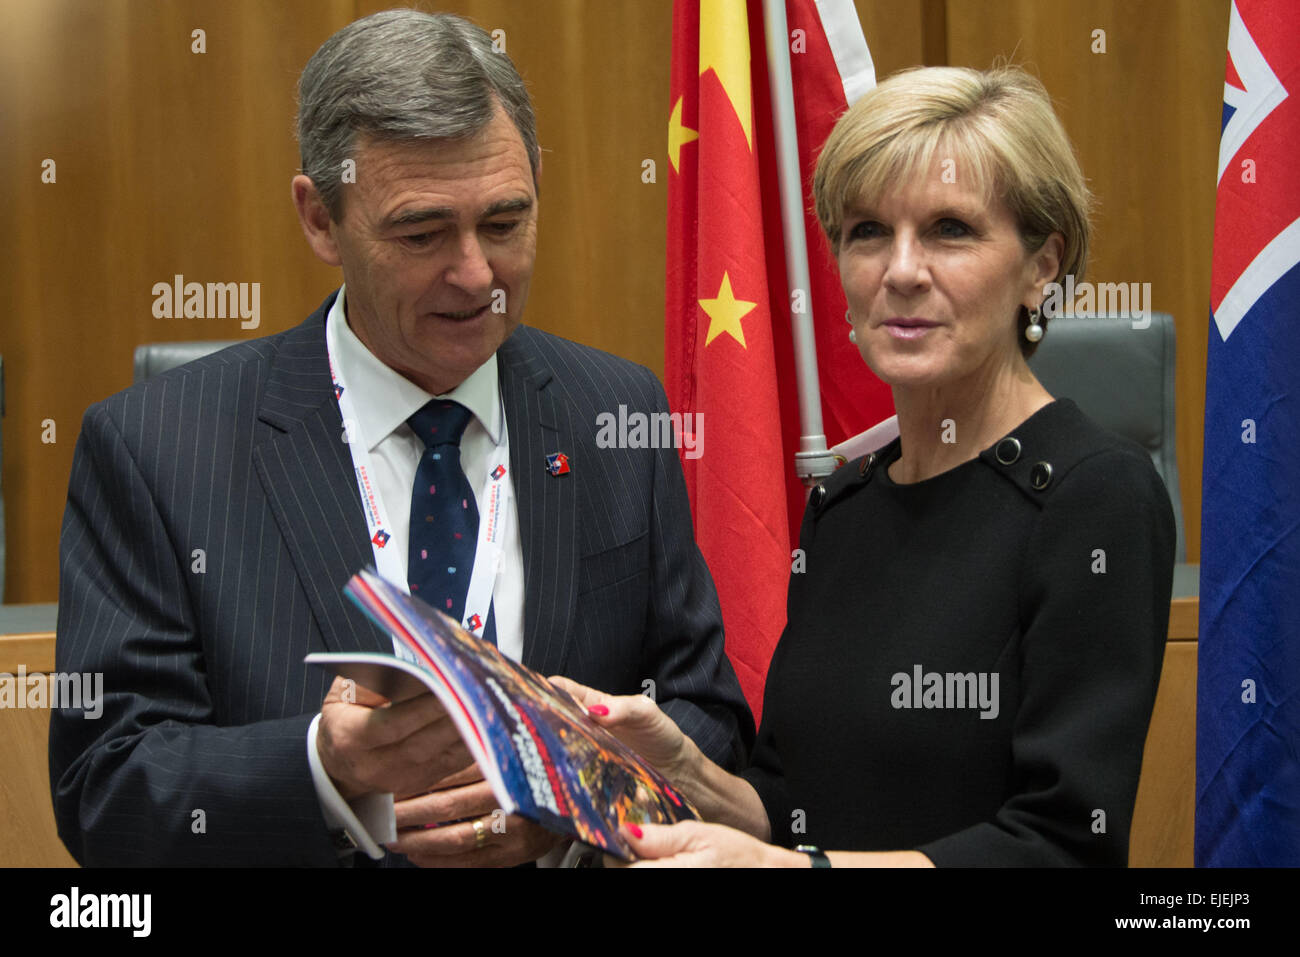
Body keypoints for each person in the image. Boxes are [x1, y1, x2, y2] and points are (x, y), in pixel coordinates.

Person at [49, 9, 752, 867]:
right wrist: (324, 768)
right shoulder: (157, 448)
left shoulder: (617, 413)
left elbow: (706, 716)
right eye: (421, 233)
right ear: (319, 218)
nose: (476, 274)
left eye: (503, 222)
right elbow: (104, 786)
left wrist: (580, 799)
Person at [555, 65, 1176, 867]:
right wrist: (687, 770)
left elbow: (1061, 845)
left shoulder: (1097, 496)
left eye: (951, 229)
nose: (902, 270)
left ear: (1041, 267)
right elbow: (795, 802)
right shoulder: (844, 505)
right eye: (868, 232)